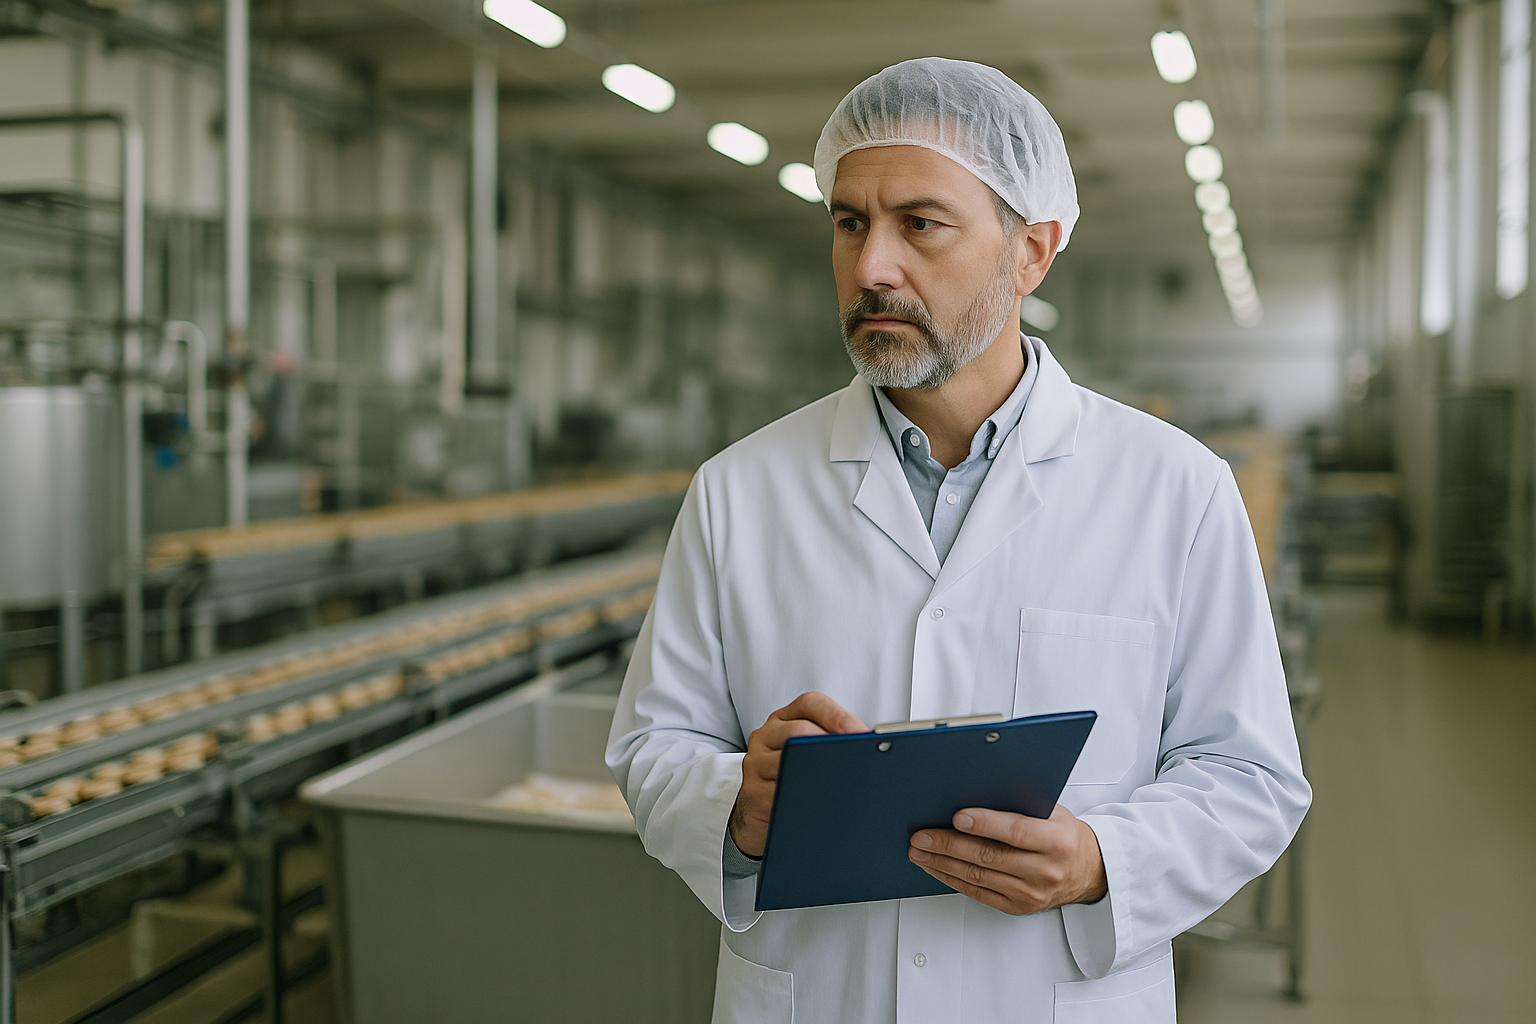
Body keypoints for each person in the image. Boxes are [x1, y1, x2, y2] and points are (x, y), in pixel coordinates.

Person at [607, 57, 1310, 1024]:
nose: (871, 267)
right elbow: (653, 745)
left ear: (1033, 251)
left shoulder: (1174, 490)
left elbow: (1251, 775)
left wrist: (1104, 860)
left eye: (920, 223)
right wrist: (736, 802)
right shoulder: (740, 491)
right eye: (850, 222)